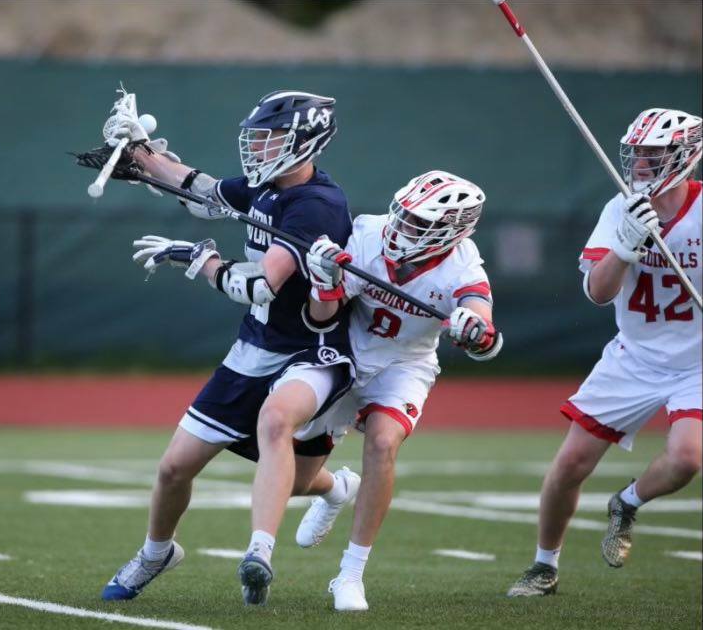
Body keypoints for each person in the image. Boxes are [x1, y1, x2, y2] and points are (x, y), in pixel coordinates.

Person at [100, 90, 360, 606]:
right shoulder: (267, 185)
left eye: (271, 138)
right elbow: (203, 192)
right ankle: (157, 552)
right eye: (257, 138)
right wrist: (141, 153)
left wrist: (199, 260)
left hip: (309, 351)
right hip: (256, 348)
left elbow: (261, 286)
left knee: (280, 445)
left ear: (305, 142)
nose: (258, 148)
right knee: (174, 468)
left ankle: (268, 546)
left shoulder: (316, 206)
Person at [507, 108, 702, 598]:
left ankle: (627, 502)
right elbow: (597, 291)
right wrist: (626, 245)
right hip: (634, 357)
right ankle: (544, 565)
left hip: (696, 364)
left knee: (687, 457)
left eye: (654, 154)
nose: (641, 164)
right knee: (571, 464)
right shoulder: (621, 208)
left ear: (685, 157)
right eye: (637, 153)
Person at [292, 170, 503, 611]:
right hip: (345, 353)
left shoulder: (462, 266)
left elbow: (481, 320)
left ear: (451, 231)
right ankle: (334, 489)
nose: (402, 227)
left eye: (418, 223)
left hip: (404, 364)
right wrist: (324, 281)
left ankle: (350, 574)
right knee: (294, 481)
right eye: (403, 215)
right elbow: (320, 317)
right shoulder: (367, 234)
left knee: (383, 443)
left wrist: (474, 329)